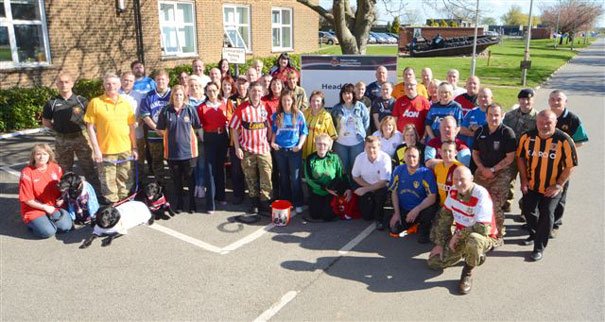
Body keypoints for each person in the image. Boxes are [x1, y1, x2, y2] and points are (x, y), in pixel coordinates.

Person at [517, 110, 578, 261]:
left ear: (555, 123)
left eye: (548, 123)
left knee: (547, 214)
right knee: (528, 210)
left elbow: (571, 165)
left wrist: (558, 185)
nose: (544, 126)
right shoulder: (527, 137)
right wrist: (524, 180)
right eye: (541, 123)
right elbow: (520, 158)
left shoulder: (564, 140)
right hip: (532, 184)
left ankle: (539, 247)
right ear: (536, 122)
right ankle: (534, 234)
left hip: (552, 186)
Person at [428, 166, 497, 295]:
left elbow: (483, 228)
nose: (459, 183)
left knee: (474, 240)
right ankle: (473, 255)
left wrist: (457, 236)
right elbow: (444, 217)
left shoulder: (481, 194)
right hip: (461, 235)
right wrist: (440, 244)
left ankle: (468, 271)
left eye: (462, 179)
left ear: (472, 179)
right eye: (455, 179)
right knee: (434, 263)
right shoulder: (453, 191)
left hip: (484, 236)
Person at [84, 73, 137, 203]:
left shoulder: (126, 103)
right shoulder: (95, 103)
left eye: (114, 83)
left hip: (125, 149)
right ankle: (113, 206)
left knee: (125, 179)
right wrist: (96, 150)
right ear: (103, 85)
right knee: (108, 182)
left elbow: (131, 127)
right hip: (105, 150)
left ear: (119, 85)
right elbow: (90, 128)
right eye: (108, 83)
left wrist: (134, 147)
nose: (111, 86)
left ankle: (124, 203)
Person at [41, 71, 99, 190]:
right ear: (57, 85)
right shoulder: (52, 103)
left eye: (66, 82)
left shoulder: (81, 101)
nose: (64, 85)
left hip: (81, 138)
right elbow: (46, 122)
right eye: (61, 82)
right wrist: (58, 129)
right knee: (63, 170)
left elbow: (90, 121)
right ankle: (67, 195)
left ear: (72, 84)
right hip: (62, 140)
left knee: (89, 167)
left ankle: (95, 194)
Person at [472, 103, 516, 245]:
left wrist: (492, 170)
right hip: (482, 169)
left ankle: (498, 234)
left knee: (495, 204)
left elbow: (510, 158)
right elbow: (475, 153)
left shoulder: (507, 133)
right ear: (486, 116)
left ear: (502, 116)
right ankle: (477, 229)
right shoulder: (480, 131)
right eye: (490, 115)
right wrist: (482, 168)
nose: (493, 118)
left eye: (497, 115)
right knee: (476, 201)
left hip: (501, 172)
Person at [156, 85, 202, 214]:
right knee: (177, 181)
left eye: (181, 94)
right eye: (176, 95)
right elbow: (160, 129)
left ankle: (192, 204)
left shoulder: (190, 110)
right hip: (172, 153)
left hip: (189, 152)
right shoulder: (166, 111)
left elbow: (197, 127)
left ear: (184, 96)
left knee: (190, 179)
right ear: (172, 97)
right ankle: (180, 203)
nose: (178, 97)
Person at [229, 81, 273, 214]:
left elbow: (271, 126)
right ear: (249, 92)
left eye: (259, 91)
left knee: (266, 176)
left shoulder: (266, 107)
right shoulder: (242, 108)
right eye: (253, 91)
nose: (256, 94)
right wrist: (237, 148)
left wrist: (270, 142)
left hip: (263, 149)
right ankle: (254, 203)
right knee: (250, 178)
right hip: (247, 150)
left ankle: (265, 202)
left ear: (263, 93)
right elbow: (234, 128)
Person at [548, 90, 588, 235]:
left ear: (565, 102)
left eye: (558, 99)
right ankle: (538, 220)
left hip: (563, 163)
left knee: (560, 191)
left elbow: (580, 141)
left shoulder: (573, 119)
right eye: (552, 99)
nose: (555, 102)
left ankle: (555, 225)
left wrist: (563, 151)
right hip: (545, 160)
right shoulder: (546, 116)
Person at [18, 144, 73, 238]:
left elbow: (64, 187)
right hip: (34, 209)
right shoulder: (27, 172)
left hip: (54, 206)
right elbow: (27, 199)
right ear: (33, 156)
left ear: (49, 155)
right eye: (38, 154)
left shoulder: (56, 168)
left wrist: (62, 198)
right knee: (48, 232)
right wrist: (45, 207)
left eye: (45, 154)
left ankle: (47, 220)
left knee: (65, 227)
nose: (41, 157)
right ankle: (32, 224)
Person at [388, 146, 439, 243]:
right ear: (404, 157)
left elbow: (432, 198)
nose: (411, 159)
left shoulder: (426, 173)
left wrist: (416, 210)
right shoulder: (398, 170)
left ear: (419, 158)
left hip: (420, 209)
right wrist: (396, 213)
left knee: (430, 210)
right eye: (408, 156)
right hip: (405, 209)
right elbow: (393, 192)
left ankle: (424, 230)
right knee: (394, 229)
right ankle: (412, 224)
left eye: (414, 156)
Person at [271, 90, 309, 214]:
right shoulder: (277, 115)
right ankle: (286, 202)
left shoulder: (298, 115)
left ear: (292, 101)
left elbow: (304, 132)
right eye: (284, 100)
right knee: (284, 177)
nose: (286, 102)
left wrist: (299, 145)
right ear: (281, 101)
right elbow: (273, 131)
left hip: (294, 151)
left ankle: (298, 202)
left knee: (295, 178)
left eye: (288, 100)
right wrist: (272, 142)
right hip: (280, 151)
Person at [197, 82, 231, 213]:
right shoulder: (202, 107)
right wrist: (204, 138)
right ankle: (210, 204)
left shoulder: (224, 105)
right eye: (209, 91)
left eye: (214, 90)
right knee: (210, 170)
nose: (212, 93)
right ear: (206, 92)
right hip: (209, 138)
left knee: (220, 167)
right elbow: (199, 126)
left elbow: (228, 122)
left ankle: (221, 196)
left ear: (218, 91)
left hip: (222, 137)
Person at [502, 88, 537, 214]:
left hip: (528, 157)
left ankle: (525, 209)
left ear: (533, 100)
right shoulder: (510, 115)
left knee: (527, 183)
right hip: (511, 154)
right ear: (519, 100)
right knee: (507, 180)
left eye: (528, 99)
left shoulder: (538, 118)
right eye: (522, 99)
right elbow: (503, 134)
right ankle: (506, 203)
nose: (525, 102)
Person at [304, 134, 350, 222]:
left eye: (325, 144)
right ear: (315, 144)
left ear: (329, 145)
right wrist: (324, 188)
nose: (322, 146)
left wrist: (348, 188)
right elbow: (309, 179)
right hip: (317, 191)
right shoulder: (310, 158)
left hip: (332, 192)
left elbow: (342, 174)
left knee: (327, 216)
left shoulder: (334, 157)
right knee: (315, 215)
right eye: (319, 144)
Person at [351, 136, 392, 230]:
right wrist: (369, 187)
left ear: (379, 147)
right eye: (368, 147)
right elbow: (355, 176)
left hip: (381, 187)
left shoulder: (385, 158)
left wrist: (366, 189)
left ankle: (380, 219)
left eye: (374, 147)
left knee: (381, 195)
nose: (371, 150)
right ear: (365, 146)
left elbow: (384, 182)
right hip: (366, 185)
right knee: (366, 216)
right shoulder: (360, 157)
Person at [139, 70, 171, 186]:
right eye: (158, 80)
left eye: (163, 79)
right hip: (154, 134)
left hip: (171, 135)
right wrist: (156, 128)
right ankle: (161, 185)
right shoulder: (149, 96)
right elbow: (144, 115)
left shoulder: (174, 94)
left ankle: (175, 184)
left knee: (173, 161)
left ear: (168, 80)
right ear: (155, 81)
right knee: (156, 161)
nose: (160, 82)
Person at [331, 83, 370, 175]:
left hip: (357, 143)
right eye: (344, 93)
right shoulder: (336, 108)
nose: (347, 96)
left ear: (353, 94)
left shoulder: (360, 107)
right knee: (342, 168)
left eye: (349, 93)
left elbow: (366, 123)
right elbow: (332, 125)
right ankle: (344, 188)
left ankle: (355, 189)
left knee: (356, 169)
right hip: (340, 143)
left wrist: (363, 137)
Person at [226, 76, 250, 205]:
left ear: (248, 85)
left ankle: (252, 194)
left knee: (252, 168)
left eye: (244, 84)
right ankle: (238, 194)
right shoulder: (231, 100)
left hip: (250, 139)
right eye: (239, 84)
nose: (242, 86)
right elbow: (230, 119)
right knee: (236, 169)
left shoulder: (252, 98)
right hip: (235, 140)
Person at [119, 71, 146, 185]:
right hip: (121, 136)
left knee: (139, 161)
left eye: (130, 81)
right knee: (124, 164)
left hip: (137, 134)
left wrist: (138, 122)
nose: (127, 83)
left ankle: (139, 185)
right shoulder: (115, 95)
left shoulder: (139, 96)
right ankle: (127, 187)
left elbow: (143, 113)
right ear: (121, 81)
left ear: (134, 82)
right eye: (125, 80)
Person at [302, 90, 337, 160]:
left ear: (322, 103)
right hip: (304, 153)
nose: (315, 103)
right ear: (310, 102)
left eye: (318, 101)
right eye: (313, 100)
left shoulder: (326, 116)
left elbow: (332, 136)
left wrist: (327, 152)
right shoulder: (305, 114)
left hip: (319, 155)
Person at [429, 141, 462, 206]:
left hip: (456, 208)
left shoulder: (460, 169)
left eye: (450, 151)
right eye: (444, 151)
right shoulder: (438, 167)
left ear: (455, 153)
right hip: (441, 205)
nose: (447, 153)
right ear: (440, 152)